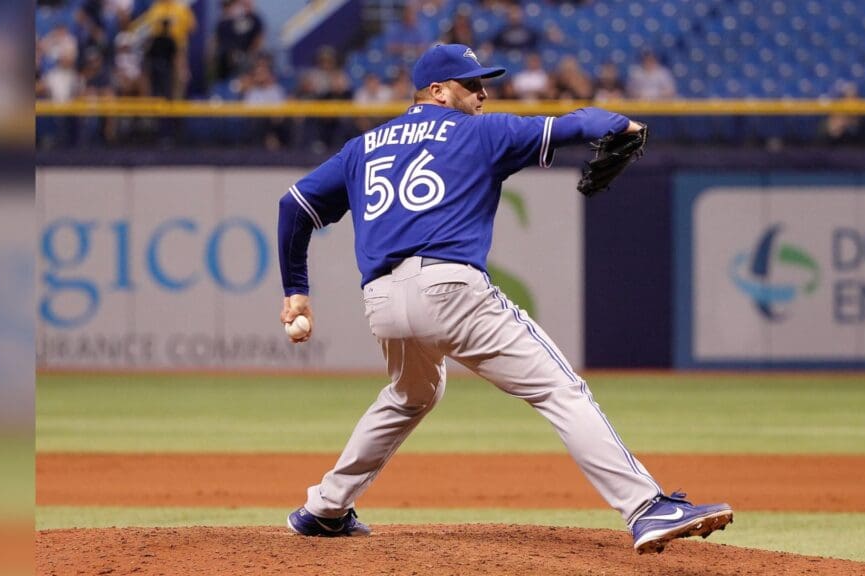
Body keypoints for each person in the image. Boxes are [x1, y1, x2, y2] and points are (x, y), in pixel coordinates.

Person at [277, 43, 733, 554]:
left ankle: (326, 508)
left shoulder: (364, 147)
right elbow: (575, 123)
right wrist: (623, 124)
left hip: (382, 303)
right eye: (472, 85)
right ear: (438, 92)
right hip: (450, 288)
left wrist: (296, 290)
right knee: (562, 390)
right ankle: (647, 507)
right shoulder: (480, 132)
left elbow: (294, 205)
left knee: (411, 394)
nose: (483, 93)